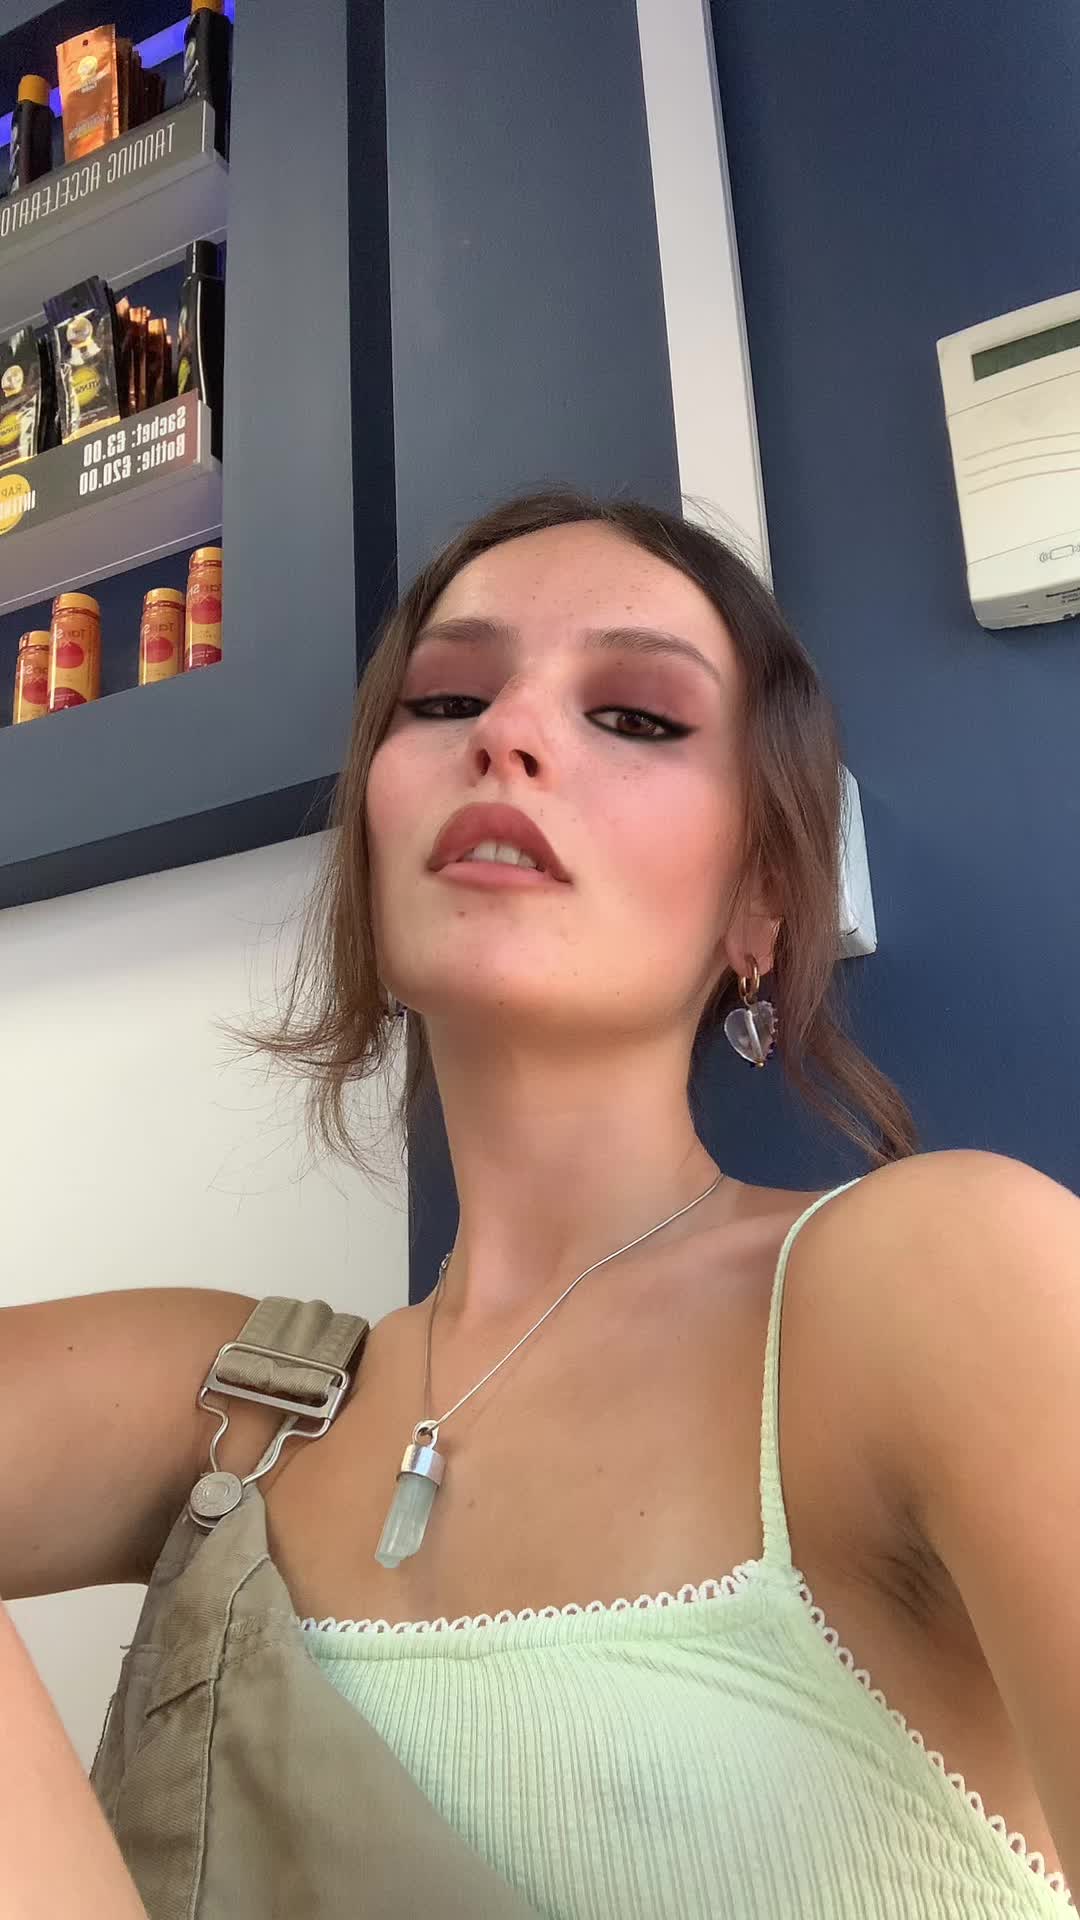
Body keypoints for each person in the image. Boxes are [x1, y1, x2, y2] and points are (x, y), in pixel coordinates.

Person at [3, 488, 1079, 1920]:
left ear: (759, 900)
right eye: (446, 700)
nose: (504, 734)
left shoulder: (935, 1277)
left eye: (635, 717)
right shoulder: (231, 1405)